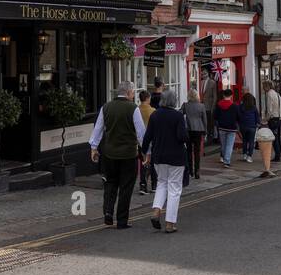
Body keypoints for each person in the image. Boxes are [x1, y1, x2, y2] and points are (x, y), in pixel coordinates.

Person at [88, 80, 146, 228]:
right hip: (128, 155)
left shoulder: (106, 107)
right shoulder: (133, 108)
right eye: (133, 93)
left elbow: (98, 129)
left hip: (109, 154)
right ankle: (121, 220)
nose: (133, 96)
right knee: (126, 187)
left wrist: (94, 148)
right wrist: (146, 151)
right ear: (127, 93)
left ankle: (108, 212)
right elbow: (141, 134)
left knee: (110, 183)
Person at [140, 89, 188, 233]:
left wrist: (144, 152)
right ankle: (170, 223)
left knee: (162, 183)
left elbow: (147, 137)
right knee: (174, 188)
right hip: (176, 157)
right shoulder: (178, 116)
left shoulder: (155, 115)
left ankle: (156, 210)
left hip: (158, 156)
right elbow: (182, 136)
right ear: (174, 101)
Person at [181, 89, 207, 180]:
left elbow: (179, 115)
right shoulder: (202, 106)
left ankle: (190, 171)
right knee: (197, 152)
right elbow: (204, 120)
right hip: (199, 130)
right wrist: (205, 131)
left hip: (188, 130)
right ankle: (197, 171)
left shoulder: (185, 105)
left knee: (188, 151)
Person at [214, 88, 240, 167]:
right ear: (231, 96)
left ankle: (224, 158)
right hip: (232, 128)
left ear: (223, 95)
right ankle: (227, 161)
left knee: (223, 144)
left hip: (222, 127)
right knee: (229, 145)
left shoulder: (218, 105)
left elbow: (215, 116)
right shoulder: (234, 106)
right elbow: (238, 117)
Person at [262, 80, 281, 163]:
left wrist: (265, 120)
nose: (263, 88)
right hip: (279, 118)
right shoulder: (277, 94)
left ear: (267, 86)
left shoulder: (269, 94)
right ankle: (278, 155)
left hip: (273, 119)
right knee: (278, 138)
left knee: (274, 138)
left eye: (263, 86)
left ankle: (277, 157)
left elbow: (270, 109)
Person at [238, 92, 260, 163]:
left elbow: (238, 116)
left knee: (244, 141)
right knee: (251, 142)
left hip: (243, 126)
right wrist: (258, 124)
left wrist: (239, 124)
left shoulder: (241, 107)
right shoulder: (254, 107)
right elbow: (257, 117)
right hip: (252, 126)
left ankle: (244, 154)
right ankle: (249, 156)